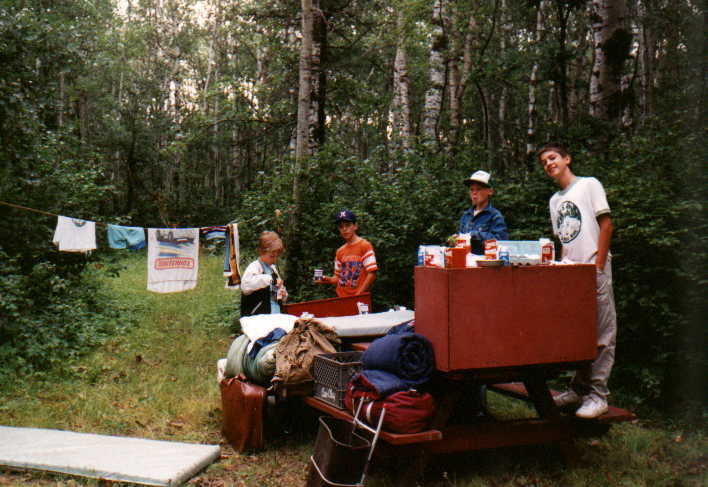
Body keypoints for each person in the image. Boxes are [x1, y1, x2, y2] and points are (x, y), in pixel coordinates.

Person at [538, 142, 617, 419]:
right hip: (571, 273)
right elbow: (563, 240)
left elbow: (606, 225)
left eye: (553, 158)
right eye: (544, 162)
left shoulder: (588, 185)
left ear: (567, 159)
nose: (549, 164)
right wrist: (563, 271)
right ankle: (578, 389)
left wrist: (598, 265)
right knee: (579, 334)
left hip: (593, 267)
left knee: (602, 333)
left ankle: (598, 396)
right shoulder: (554, 201)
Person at [316, 209, 377, 297]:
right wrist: (325, 279)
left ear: (355, 226)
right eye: (341, 227)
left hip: (359, 297)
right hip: (342, 297)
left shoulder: (364, 245)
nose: (344, 229)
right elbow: (337, 278)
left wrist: (359, 294)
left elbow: (372, 273)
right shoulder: (340, 251)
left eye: (347, 225)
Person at [458, 170, 509, 255]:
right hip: (466, 260)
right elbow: (460, 242)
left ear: (490, 191)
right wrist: (455, 239)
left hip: (485, 261)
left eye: (478, 189)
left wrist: (474, 235)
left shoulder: (495, 216)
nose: (474, 193)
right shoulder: (466, 216)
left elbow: (501, 242)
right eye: (471, 189)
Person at [240, 231, 288, 316]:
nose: (275, 260)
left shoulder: (273, 269)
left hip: (275, 314)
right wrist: (269, 279)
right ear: (261, 252)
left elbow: (277, 293)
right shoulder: (254, 267)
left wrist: (283, 294)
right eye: (272, 256)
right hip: (257, 317)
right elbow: (245, 286)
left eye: (277, 256)